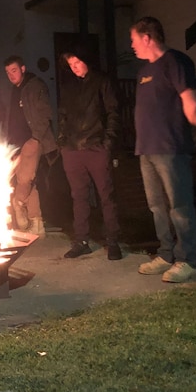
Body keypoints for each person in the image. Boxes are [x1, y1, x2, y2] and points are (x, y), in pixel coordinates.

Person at [130, 17, 196, 283]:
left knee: (179, 205)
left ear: (147, 37)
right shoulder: (143, 71)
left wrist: (193, 129)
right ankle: (165, 253)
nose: (132, 45)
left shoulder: (175, 61)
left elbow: (190, 100)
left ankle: (187, 259)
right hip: (146, 148)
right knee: (156, 206)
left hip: (170, 147)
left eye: (134, 39)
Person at [58, 51, 122, 260]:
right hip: (73, 150)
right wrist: (63, 142)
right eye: (71, 64)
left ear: (86, 60)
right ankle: (81, 241)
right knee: (79, 197)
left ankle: (113, 241)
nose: (75, 67)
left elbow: (113, 111)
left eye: (78, 62)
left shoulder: (102, 81)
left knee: (106, 196)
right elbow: (63, 115)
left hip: (96, 147)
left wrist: (107, 143)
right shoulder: (68, 86)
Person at [3, 56, 57, 236]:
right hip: (16, 144)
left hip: (32, 141)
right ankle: (37, 222)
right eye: (8, 72)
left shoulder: (35, 86)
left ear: (23, 68)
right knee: (28, 182)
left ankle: (17, 203)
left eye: (14, 70)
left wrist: (35, 138)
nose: (11, 75)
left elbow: (46, 113)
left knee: (24, 180)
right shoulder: (14, 90)